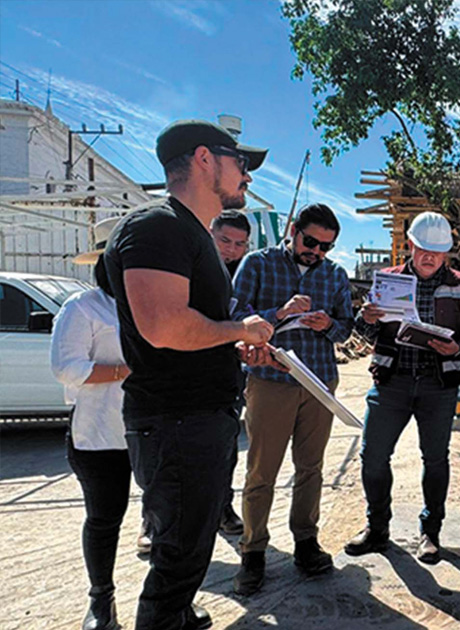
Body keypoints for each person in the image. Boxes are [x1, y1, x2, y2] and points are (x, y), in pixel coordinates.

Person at [103, 118, 278, 630]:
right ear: (205, 159)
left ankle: (177, 615)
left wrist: (233, 344)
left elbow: (193, 330)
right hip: (178, 423)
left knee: (191, 550)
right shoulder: (156, 226)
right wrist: (237, 328)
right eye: (240, 163)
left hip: (198, 419)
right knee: (176, 558)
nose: (246, 176)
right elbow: (162, 327)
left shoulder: (189, 233)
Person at [230, 203, 353, 595]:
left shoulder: (334, 275)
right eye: (312, 242)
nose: (317, 252)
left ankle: (306, 541)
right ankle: (253, 551)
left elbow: (347, 330)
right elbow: (234, 316)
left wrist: (329, 324)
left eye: (326, 247)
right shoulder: (257, 264)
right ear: (293, 228)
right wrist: (278, 313)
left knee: (311, 468)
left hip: (318, 382)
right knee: (261, 471)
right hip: (270, 379)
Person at [344, 211, 460, 563]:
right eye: (424, 250)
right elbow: (366, 333)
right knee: (373, 456)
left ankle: (430, 532)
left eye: (437, 253)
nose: (430, 258)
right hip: (392, 381)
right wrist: (367, 318)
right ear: (410, 245)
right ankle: (377, 528)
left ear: (447, 254)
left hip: (438, 385)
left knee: (435, 459)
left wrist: (458, 348)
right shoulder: (388, 281)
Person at [51, 218, 131, 630]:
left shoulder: (152, 304)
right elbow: (67, 368)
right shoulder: (82, 308)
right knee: (104, 518)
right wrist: (126, 370)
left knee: (170, 515)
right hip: (101, 435)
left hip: (154, 428)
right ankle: (102, 599)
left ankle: (174, 600)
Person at [209, 209, 253, 537]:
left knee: (225, 444)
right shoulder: (192, 269)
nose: (231, 249)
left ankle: (223, 507)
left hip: (229, 373)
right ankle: (154, 520)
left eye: (240, 244)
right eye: (225, 240)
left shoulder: (246, 273)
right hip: (184, 373)